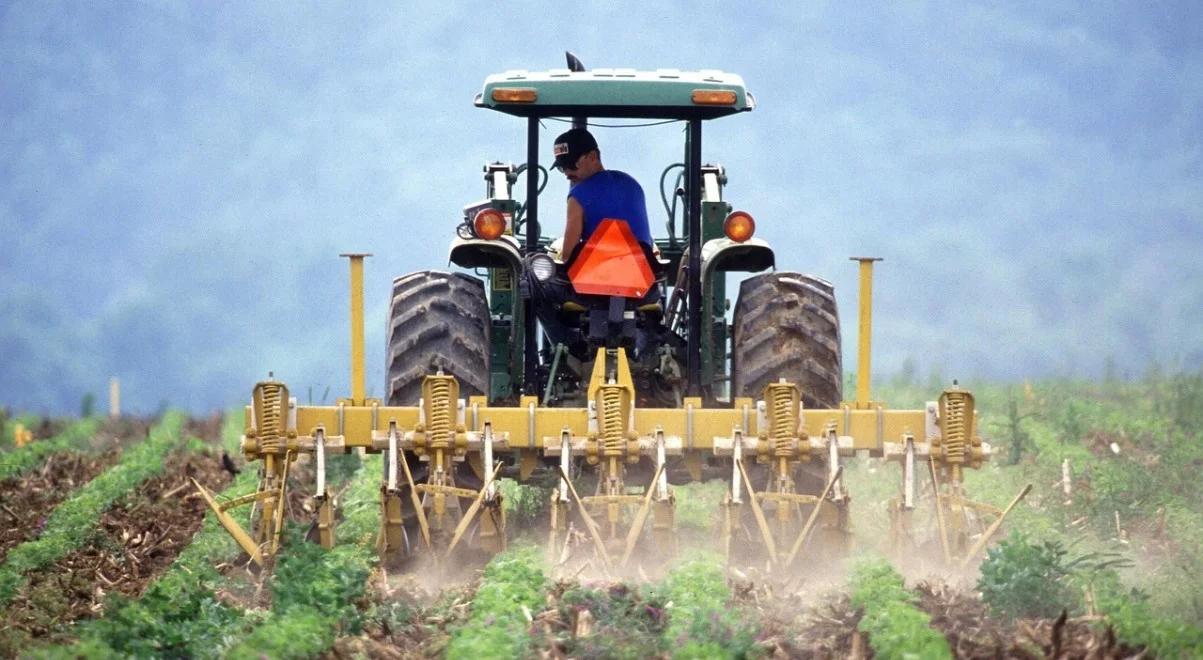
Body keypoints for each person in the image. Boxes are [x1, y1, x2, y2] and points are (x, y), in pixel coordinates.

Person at [551, 128, 653, 260]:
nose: (567, 173)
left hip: (599, 276)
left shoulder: (577, 196)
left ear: (593, 156)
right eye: (562, 168)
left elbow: (568, 257)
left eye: (572, 164)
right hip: (644, 274)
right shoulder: (633, 184)